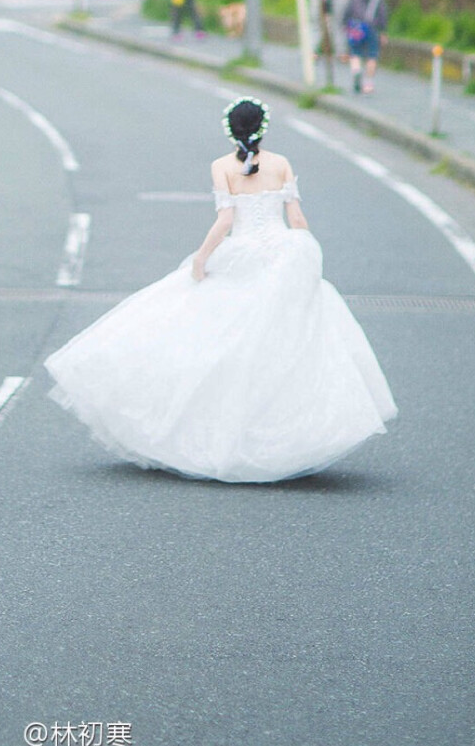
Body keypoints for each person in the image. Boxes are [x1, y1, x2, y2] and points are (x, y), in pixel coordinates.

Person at [45, 97, 397, 483]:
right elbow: (296, 218)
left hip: (242, 255)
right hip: (282, 256)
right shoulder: (280, 164)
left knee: (212, 336)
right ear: (263, 128)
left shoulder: (221, 167)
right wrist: (304, 254)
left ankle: (213, 431)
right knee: (284, 347)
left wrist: (201, 257)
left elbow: (226, 221)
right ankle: (282, 438)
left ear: (230, 130)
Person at [343, 0, 389, 94]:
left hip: (356, 27)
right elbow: (382, 13)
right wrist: (383, 31)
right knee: (372, 55)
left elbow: (347, 9)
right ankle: (368, 83)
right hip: (372, 27)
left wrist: (345, 24)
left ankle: (356, 71)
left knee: (355, 52)